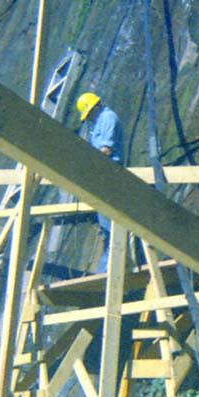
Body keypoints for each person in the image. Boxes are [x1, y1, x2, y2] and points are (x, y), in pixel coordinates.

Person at [76, 91, 126, 273]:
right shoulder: (99, 122)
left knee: (111, 227)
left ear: (95, 107)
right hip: (102, 175)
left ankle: (107, 272)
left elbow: (106, 150)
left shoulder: (107, 118)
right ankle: (106, 269)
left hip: (109, 173)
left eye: (89, 114)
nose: (89, 118)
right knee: (106, 227)